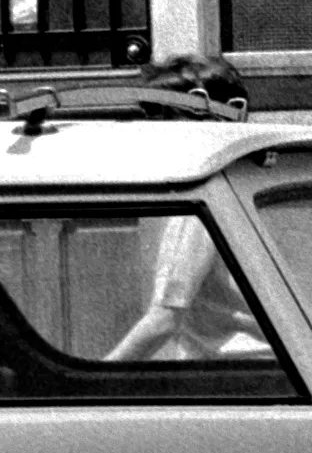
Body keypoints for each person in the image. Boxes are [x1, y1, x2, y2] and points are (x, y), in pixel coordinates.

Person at [105, 55, 264, 364]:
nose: (150, 133)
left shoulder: (199, 204)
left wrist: (91, 381)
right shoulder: (250, 180)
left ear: (195, 113)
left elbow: (165, 318)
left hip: (225, 371)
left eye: (158, 118)